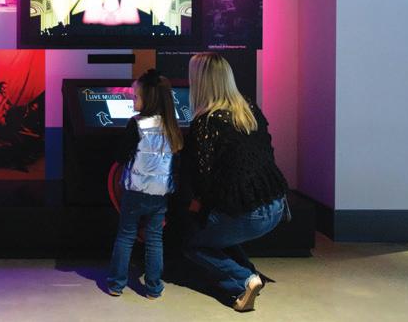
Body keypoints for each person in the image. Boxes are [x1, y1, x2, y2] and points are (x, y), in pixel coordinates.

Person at [182, 53, 288, 312]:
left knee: (191, 242)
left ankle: (243, 279)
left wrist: (194, 206)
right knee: (221, 226)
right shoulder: (249, 109)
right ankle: (251, 273)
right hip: (277, 206)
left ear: (200, 82)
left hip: (250, 214)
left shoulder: (206, 123)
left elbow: (202, 179)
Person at [107, 69, 184, 299]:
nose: (133, 100)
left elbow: (121, 156)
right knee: (154, 238)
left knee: (126, 235)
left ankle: (116, 284)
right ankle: (153, 288)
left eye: (136, 96)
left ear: (148, 99)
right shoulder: (172, 127)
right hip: (160, 195)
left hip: (134, 192)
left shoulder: (136, 124)